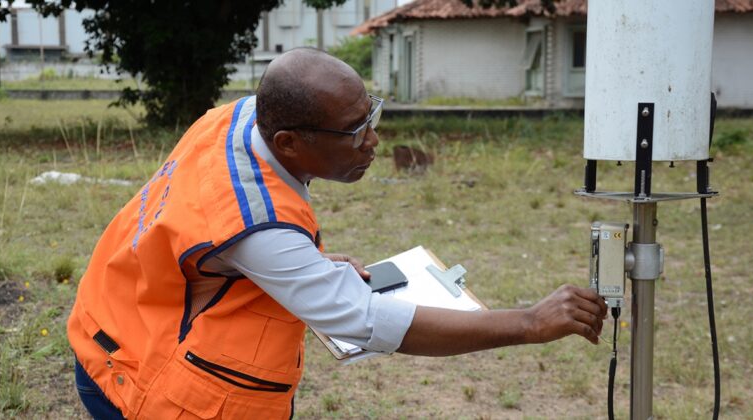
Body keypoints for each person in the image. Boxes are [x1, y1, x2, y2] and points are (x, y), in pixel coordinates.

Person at [67, 48, 607, 420]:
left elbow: (201, 234)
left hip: (113, 320)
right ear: (289, 141)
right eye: (354, 131)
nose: (374, 140)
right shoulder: (260, 228)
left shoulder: (237, 119)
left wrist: (305, 266)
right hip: (144, 378)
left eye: (371, 116)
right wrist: (529, 323)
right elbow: (368, 320)